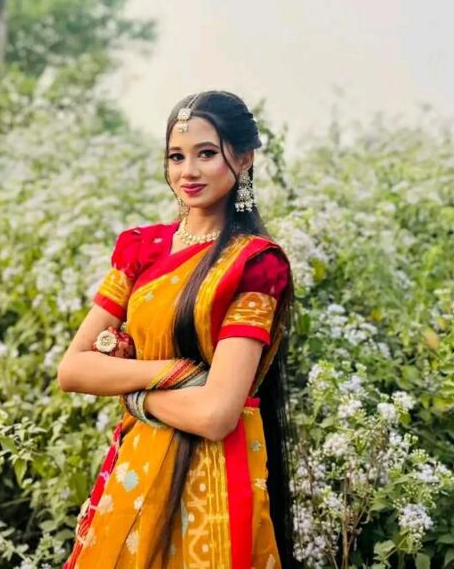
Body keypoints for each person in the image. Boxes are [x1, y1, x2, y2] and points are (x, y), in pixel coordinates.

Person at [57, 90, 297, 568]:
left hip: (214, 476)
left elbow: (216, 415)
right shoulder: (141, 249)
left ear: (244, 159)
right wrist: (178, 374)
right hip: (136, 464)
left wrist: (132, 395)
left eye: (206, 154)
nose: (188, 171)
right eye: (176, 157)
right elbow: (73, 369)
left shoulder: (254, 265)